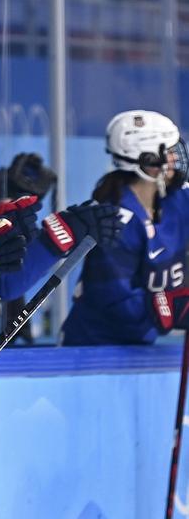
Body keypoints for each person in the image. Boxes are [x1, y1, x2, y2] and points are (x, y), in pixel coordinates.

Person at [63, 110, 189, 345]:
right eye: (168, 152)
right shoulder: (116, 221)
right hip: (94, 349)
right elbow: (117, 303)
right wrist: (173, 308)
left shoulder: (176, 199)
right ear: (149, 161)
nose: (175, 159)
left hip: (141, 344)